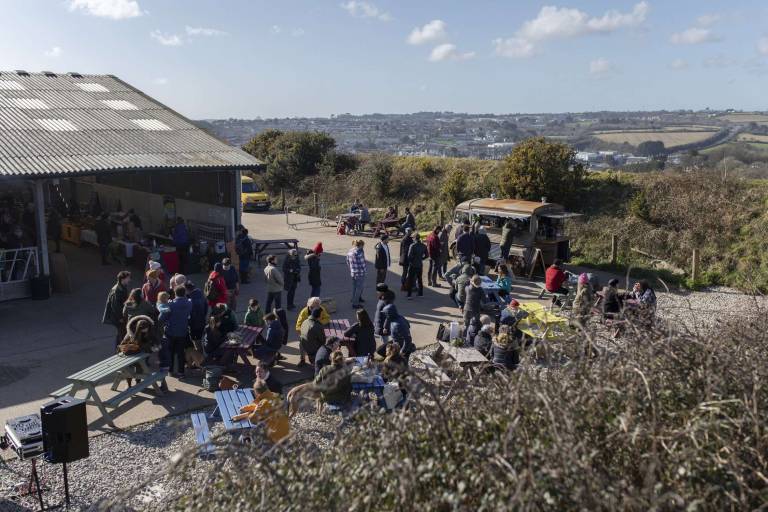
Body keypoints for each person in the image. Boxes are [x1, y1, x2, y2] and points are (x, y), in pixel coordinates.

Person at [231, 379, 289, 444]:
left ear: (257, 393)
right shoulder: (275, 395)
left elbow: (253, 419)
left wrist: (245, 414)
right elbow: (259, 406)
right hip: (285, 430)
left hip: (275, 435)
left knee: (248, 431)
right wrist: (246, 408)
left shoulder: (264, 403)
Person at [158, 286, 192, 377]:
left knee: (170, 352)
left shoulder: (170, 305)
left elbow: (160, 319)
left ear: (175, 293)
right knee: (181, 353)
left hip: (170, 332)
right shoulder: (189, 303)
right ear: (184, 293)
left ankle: (171, 371)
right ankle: (181, 372)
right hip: (183, 331)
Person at [103, 271, 131, 346]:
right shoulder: (117, 290)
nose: (129, 280)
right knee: (122, 333)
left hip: (120, 315)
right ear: (123, 279)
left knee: (121, 332)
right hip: (118, 317)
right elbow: (115, 306)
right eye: (128, 278)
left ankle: (119, 348)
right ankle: (120, 349)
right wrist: (120, 318)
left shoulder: (122, 287)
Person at [406, 233, 427, 298]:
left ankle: (409, 295)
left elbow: (409, 256)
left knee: (410, 280)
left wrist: (411, 261)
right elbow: (427, 255)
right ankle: (420, 294)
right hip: (420, 264)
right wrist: (421, 259)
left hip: (413, 265)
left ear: (415, 238)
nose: (412, 239)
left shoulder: (412, 245)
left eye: (413, 238)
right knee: (419, 279)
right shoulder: (423, 245)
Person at [347, 239, 367, 308]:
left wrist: (351, 270)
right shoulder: (359, 252)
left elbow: (347, 261)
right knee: (359, 288)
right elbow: (363, 264)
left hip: (353, 272)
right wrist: (365, 271)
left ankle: (354, 299)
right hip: (360, 273)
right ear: (361, 245)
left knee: (354, 287)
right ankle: (355, 303)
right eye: (363, 245)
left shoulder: (350, 251)